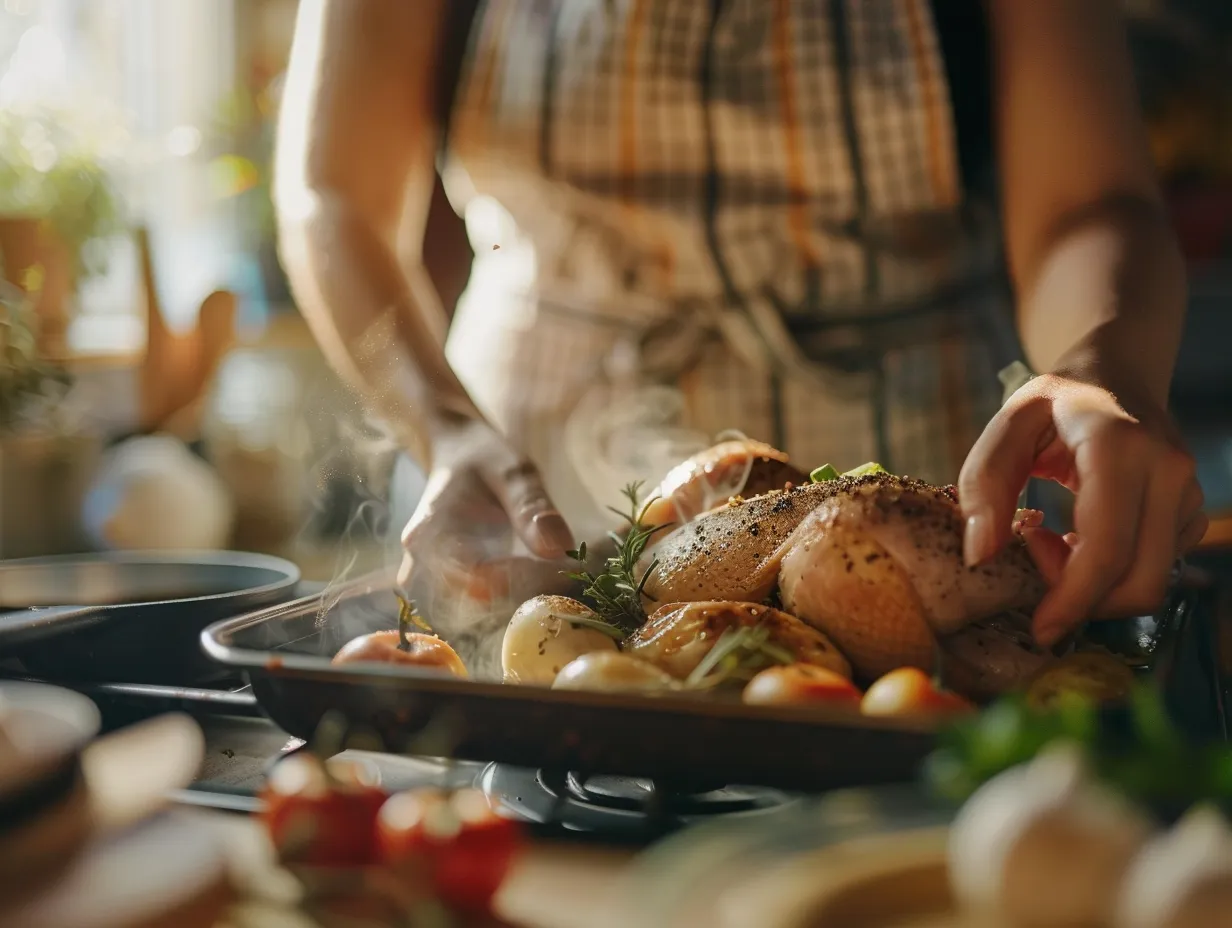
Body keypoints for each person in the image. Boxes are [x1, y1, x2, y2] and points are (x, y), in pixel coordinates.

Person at [275, 0, 1206, 649]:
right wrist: (440, 429)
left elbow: (1092, 203)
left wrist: (1099, 368)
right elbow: (333, 198)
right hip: (518, 485)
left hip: (928, 501)